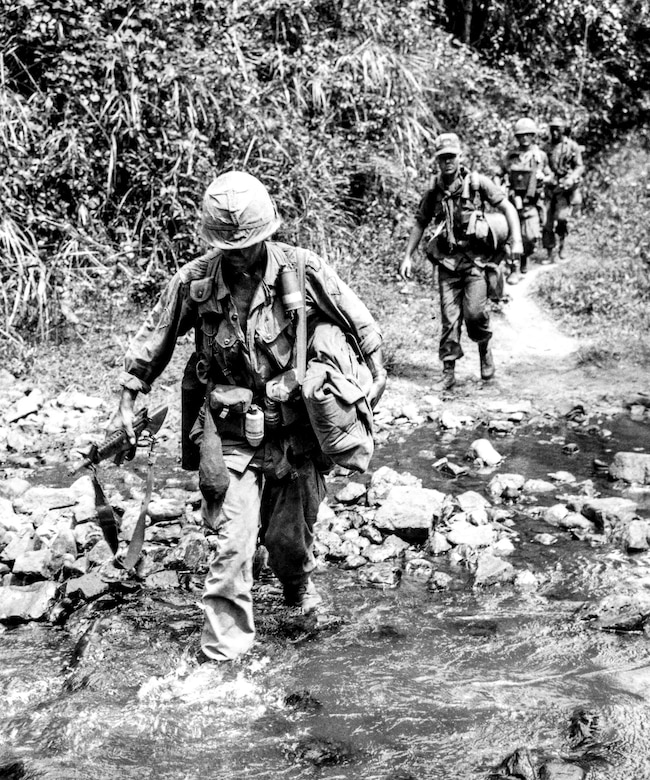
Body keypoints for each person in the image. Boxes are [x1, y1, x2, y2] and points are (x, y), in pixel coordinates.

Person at [107, 171, 386, 662]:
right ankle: (224, 658)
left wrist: (374, 373)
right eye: (229, 247)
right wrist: (130, 394)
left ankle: (297, 588)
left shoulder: (302, 269)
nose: (239, 254)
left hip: (295, 432)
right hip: (231, 435)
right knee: (231, 548)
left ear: (269, 232)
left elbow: (356, 318)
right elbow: (157, 337)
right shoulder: (195, 281)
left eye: (249, 244)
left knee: (287, 544)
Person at [399, 132, 523, 392]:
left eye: (451, 157)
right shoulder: (435, 189)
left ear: (460, 157)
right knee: (449, 318)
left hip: (476, 262)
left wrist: (517, 241)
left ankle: (484, 347)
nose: (447, 162)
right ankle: (448, 371)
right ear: (437, 160)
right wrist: (408, 255)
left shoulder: (478, 183)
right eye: (442, 158)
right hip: (447, 263)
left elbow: (508, 208)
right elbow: (421, 221)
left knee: (475, 314)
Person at [500, 117, 554, 276]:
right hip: (513, 202)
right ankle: (514, 269)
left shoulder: (540, 156)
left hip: (532, 202)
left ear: (533, 136)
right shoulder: (510, 156)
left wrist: (544, 178)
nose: (524, 138)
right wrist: (499, 187)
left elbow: (550, 175)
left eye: (527, 135)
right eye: (520, 135)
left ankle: (524, 259)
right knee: (512, 236)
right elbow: (498, 173)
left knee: (530, 237)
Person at [542, 116, 585, 262]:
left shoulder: (572, 146)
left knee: (562, 219)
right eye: (552, 130)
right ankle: (549, 252)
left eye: (557, 130)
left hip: (564, 190)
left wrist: (571, 177)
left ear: (563, 130)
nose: (554, 133)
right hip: (549, 188)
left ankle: (562, 246)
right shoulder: (546, 148)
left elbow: (579, 166)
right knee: (546, 222)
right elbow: (542, 165)